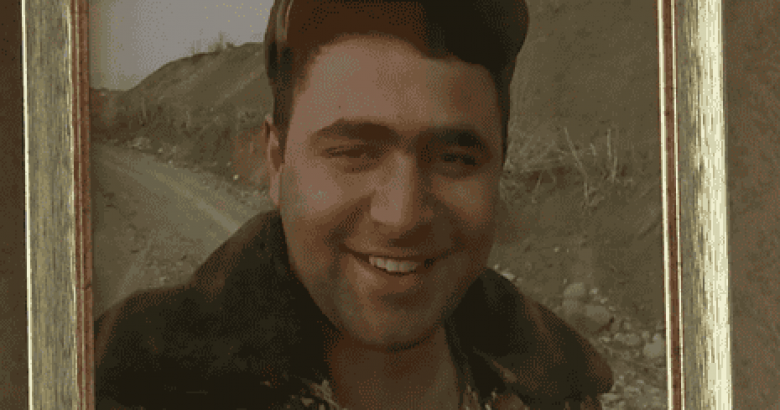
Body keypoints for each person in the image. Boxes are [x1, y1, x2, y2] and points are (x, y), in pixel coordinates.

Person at [94, 1, 614, 409]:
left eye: (455, 159)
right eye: (353, 153)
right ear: (276, 163)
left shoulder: (560, 386)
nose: (401, 215)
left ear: (499, 169)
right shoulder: (120, 384)